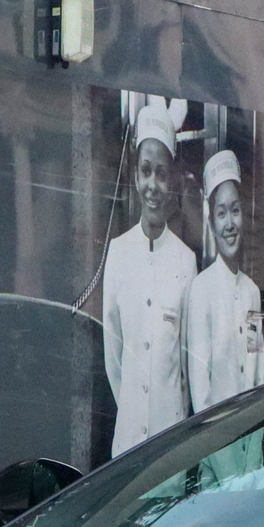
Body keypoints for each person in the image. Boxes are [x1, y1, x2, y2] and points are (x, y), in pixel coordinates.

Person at [101, 99, 195, 455]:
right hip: (127, 442)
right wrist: (135, 408)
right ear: (136, 176)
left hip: (169, 443)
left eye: (161, 173)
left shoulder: (186, 262)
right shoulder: (118, 253)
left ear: (172, 180)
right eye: (146, 171)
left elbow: (186, 368)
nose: (153, 184)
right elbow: (114, 359)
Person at [183, 149, 264, 412]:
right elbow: (200, 388)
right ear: (211, 223)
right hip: (217, 445)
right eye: (221, 214)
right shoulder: (201, 289)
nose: (230, 223)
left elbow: (258, 370)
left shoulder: (252, 292)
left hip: (251, 442)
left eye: (235, 211)